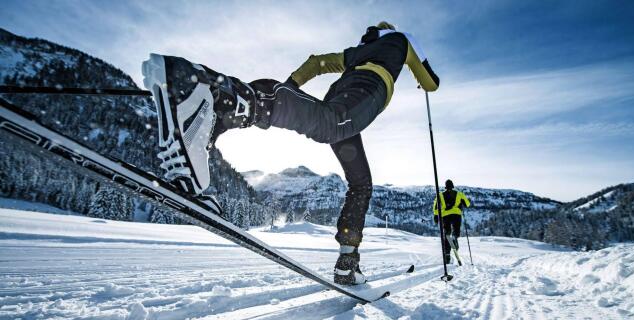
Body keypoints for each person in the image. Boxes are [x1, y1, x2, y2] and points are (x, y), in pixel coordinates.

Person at [142, 22, 440, 285]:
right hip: (369, 91)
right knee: (331, 126)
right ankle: (228, 98)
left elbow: (319, 62)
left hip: (341, 93)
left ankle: (348, 263)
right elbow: (431, 83)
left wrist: (291, 87)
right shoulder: (401, 40)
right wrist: (277, 98)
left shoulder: (359, 52)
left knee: (360, 181)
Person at [433, 179, 470, 264]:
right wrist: (461, 204)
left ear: (445, 187)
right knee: (456, 229)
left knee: (446, 234)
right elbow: (467, 204)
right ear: (452, 186)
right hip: (456, 214)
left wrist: (436, 216)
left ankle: (447, 255)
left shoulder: (440, 195)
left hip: (445, 215)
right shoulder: (459, 194)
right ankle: (455, 237)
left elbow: (435, 207)